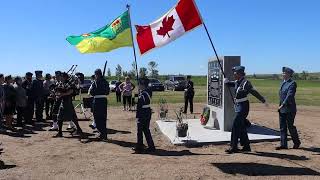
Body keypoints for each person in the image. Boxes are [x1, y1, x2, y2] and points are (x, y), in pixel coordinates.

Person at [224, 66, 267, 154]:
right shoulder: (237, 82)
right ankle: (246, 146)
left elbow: (254, 92)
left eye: (235, 73)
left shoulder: (246, 83)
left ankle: (233, 146)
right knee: (241, 126)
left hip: (243, 107)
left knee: (235, 125)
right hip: (238, 105)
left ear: (240, 73)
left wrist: (263, 100)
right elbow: (232, 84)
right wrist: (227, 82)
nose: (234, 74)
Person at [277, 67, 301, 150]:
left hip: (290, 109)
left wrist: (282, 104)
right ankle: (283, 144)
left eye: (284, 73)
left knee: (290, 126)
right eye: (283, 73)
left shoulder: (292, 83)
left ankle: (297, 142)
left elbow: (289, 96)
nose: (282, 74)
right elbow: (281, 95)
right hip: (282, 108)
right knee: (282, 127)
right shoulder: (282, 83)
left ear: (289, 74)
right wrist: (280, 106)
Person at [54, 72, 83, 137]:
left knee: (72, 117)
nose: (60, 77)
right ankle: (60, 132)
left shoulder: (69, 82)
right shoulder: (61, 83)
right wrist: (57, 95)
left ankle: (79, 130)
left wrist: (62, 94)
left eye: (61, 76)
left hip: (68, 101)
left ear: (64, 77)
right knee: (60, 117)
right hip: (63, 101)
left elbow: (71, 91)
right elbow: (59, 91)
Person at [132, 78, 155, 153]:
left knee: (140, 130)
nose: (138, 86)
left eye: (139, 84)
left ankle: (140, 146)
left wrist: (137, 97)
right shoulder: (146, 91)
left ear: (142, 85)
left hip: (143, 113)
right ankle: (151, 146)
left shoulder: (144, 93)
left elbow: (140, 103)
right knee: (145, 130)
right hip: (146, 112)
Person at [89, 69, 110, 141]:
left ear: (96, 74)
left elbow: (91, 92)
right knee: (103, 118)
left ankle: (102, 133)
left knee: (97, 118)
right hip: (104, 100)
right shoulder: (105, 82)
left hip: (97, 100)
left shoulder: (95, 82)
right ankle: (104, 134)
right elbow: (107, 92)